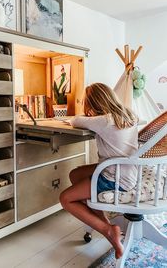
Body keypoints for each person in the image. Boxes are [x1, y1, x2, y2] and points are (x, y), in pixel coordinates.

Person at [59, 82, 138, 259]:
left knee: (65, 198)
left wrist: (83, 116)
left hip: (115, 177)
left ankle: (107, 230)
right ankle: (103, 221)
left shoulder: (105, 121)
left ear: (93, 104)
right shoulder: (127, 115)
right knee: (75, 175)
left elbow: (77, 120)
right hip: (126, 171)